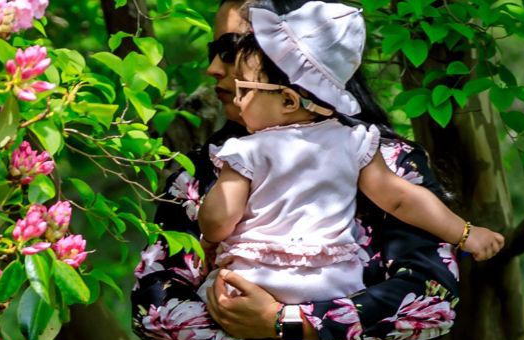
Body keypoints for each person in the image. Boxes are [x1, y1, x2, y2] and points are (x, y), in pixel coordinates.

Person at [131, 0, 477, 340]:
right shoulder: (203, 172)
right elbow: (155, 304)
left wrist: (288, 322)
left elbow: (430, 298)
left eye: (230, 49)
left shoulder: (385, 162)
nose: (213, 68)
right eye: (212, 51)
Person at [195, 1, 503, 311]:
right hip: (333, 289)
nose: (237, 99)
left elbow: (219, 221)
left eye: (245, 91)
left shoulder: (245, 149)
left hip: (253, 281)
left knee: (207, 300)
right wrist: (465, 233)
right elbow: (402, 199)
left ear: (289, 100)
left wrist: (207, 238)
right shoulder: (356, 141)